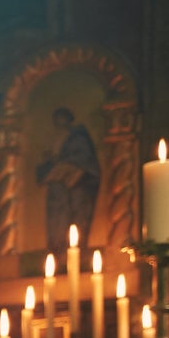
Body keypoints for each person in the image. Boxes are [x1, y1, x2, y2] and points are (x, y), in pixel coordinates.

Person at [36, 107, 101, 252]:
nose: (57, 122)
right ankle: (57, 249)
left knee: (78, 218)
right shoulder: (58, 137)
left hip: (80, 185)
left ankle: (78, 249)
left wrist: (68, 165)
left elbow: (84, 159)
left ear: (66, 118)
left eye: (60, 118)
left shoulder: (78, 137)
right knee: (58, 217)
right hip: (60, 188)